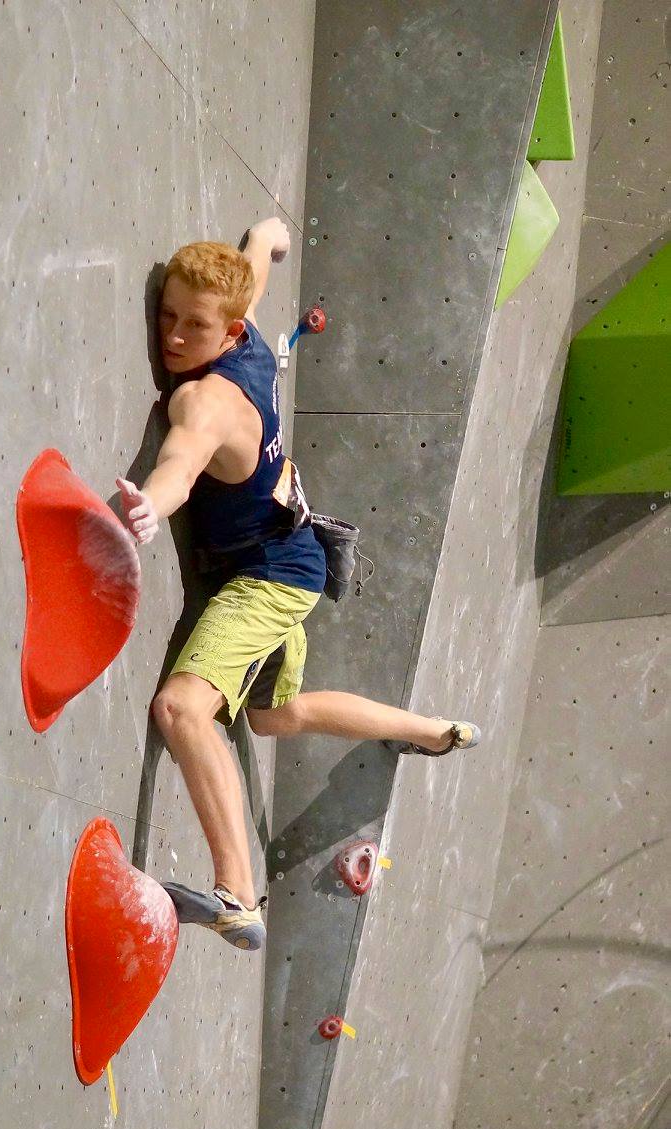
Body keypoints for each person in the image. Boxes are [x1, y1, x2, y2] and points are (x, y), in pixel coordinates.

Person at [117, 219, 480, 952]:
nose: (175, 337)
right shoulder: (246, 330)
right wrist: (268, 235)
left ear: (226, 335)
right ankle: (428, 731)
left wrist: (151, 503)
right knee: (273, 719)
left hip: (267, 577)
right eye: (167, 316)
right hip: (298, 555)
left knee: (184, 708)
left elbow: (182, 464)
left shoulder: (206, 402)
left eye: (195, 325)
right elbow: (254, 269)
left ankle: (237, 895)